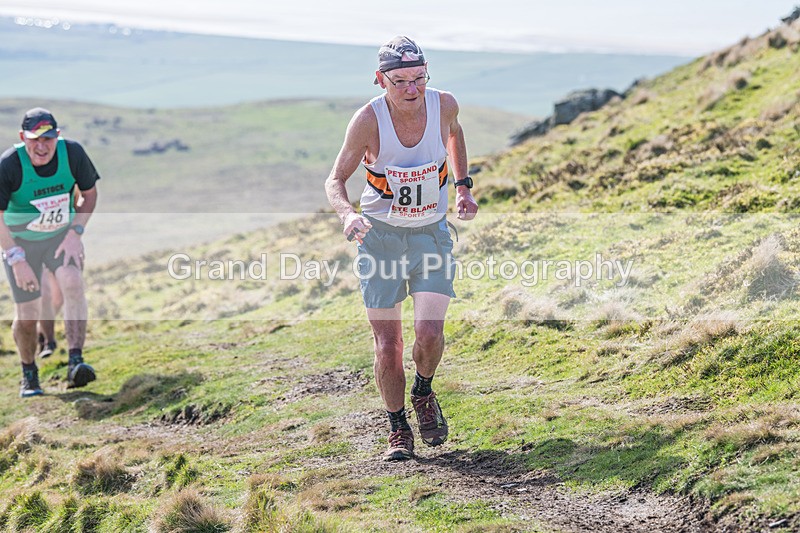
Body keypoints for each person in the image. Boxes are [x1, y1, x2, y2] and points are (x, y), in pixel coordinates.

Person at [325, 36, 478, 461]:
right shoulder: (367, 121)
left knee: (429, 334)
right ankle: (396, 426)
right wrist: (348, 215)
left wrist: (463, 188)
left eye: (419, 78)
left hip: (431, 233)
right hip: (381, 239)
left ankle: (423, 392)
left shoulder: (444, 104)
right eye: (400, 82)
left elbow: (455, 134)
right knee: (388, 345)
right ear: (380, 80)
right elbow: (334, 180)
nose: (412, 89)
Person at [0, 108, 100, 397]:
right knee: (28, 314)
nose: (42, 147)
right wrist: (16, 258)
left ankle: (76, 362)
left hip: (60, 237)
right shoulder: (9, 165)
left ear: (58, 136)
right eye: (34, 140)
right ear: (23, 138)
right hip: (21, 244)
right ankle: (29, 373)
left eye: (49, 139)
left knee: (72, 282)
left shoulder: (73, 154)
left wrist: (75, 234)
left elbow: (89, 194)